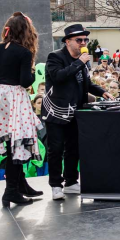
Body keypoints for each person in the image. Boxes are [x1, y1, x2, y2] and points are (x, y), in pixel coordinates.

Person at [0, 12, 42, 204]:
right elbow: (25, 81)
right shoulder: (24, 52)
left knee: (13, 143)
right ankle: (11, 190)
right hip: (15, 99)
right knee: (18, 144)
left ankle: (20, 184)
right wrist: (32, 69)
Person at [42, 23, 105, 200]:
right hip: (56, 110)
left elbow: (85, 82)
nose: (83, 42)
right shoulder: (55, 57)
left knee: (73, 147)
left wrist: (102, 92)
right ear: (68, 41)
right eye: (79, 40)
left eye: (85, 39)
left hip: (76, 110)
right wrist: (80, 62)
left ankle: (71, 181)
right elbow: (59, 77)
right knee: (56, 149)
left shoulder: (82, 61)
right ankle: (55, 185)